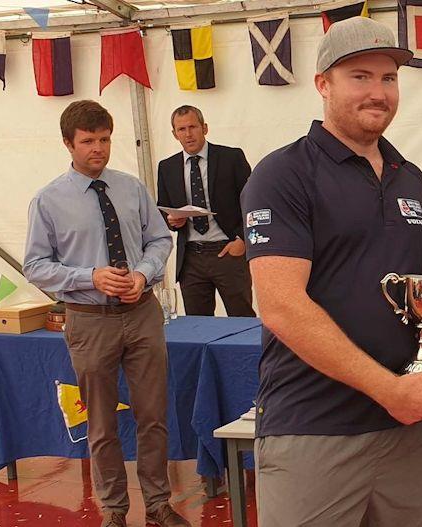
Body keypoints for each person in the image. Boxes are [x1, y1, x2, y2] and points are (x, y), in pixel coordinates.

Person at [240, 16, 422, 527]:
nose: (378, 92)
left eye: (388, 78)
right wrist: (388, 389)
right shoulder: (283, 175)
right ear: (323, 84)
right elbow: (280, 306)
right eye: (359, 76)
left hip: (404, 428)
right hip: (315, 428)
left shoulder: (411, 177)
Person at [23, 100, 189, 527]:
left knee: (153, 414)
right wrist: (89, 277)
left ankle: (157, 504)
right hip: (89, 320)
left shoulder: (131, 187)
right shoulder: (48, 200)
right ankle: (113, 511)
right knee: (101, 422)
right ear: (68, 144)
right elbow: (35, 265)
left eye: (104, 139)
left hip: (142, 313)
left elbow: (159, 240)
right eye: (88, 141)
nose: (98, 148)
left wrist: (143, 273)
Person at [157, 105, 255, 317]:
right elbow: (162, 210)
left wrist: (242, 241)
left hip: (228, 252)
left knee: (242, 320)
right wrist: (172, 221)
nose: (188, 134)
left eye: (193, 127)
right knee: (198, 325)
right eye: (181, 129)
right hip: (191, 258)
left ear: (205, 128)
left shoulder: (231, 158)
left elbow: (253, 203)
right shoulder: (167, 167)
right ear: (174, 134)